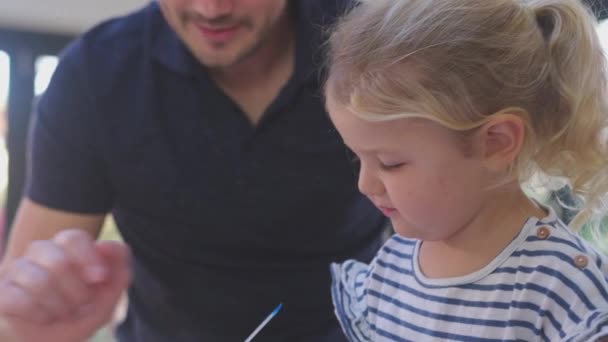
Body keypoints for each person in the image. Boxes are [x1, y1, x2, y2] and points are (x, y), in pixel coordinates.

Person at [0, 0, 387, 341]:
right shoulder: (95, 75)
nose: (211, 9)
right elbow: (19, 310)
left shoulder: (374, 52)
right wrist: (35, 326)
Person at [324, 0, 608, 341]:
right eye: (358, 158)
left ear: (496, 142)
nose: (365, 184)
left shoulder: (564, 289)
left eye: (390, 163)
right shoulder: (389, 269)